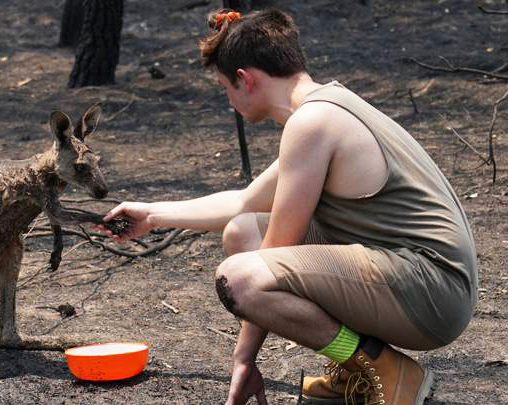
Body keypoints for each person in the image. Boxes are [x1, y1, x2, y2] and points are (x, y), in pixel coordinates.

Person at [99, 8, 477, 405]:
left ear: (245, 79)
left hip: (431, 293)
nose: (228, 101)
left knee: (240, 277)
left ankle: (385, 369)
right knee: (244, 231)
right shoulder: (327, 107)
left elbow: (273, 255)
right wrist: (152, 214)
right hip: (422, 280)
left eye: (226, 87)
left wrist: (243, 358)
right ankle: (356, 371)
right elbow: (244, 203)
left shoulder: (312, 124)